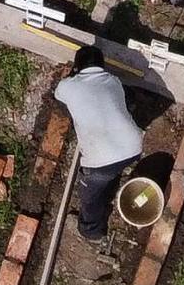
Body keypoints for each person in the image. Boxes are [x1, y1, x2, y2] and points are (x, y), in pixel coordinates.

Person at [54, 45, 143, 241]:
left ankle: (91, 230)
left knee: (90, 199)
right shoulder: (114, 81)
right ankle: (113, 173)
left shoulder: (68, 86)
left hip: (100, 163)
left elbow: (58, 94)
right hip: (134, 146)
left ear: (77, 68)